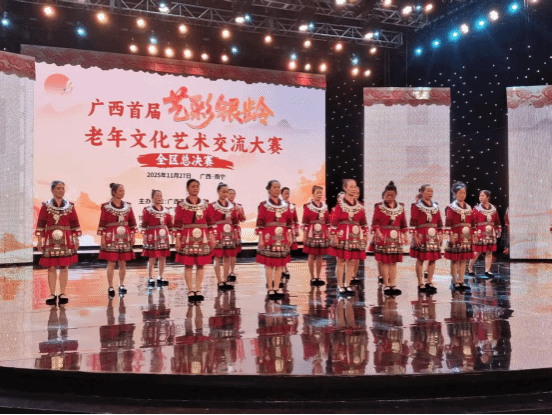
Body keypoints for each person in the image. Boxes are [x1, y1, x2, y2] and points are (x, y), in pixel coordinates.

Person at [35, 181, 81, 306]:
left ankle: (63, 293)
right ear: (52, 190)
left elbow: (75, 223)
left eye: (63, 188)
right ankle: (52, 294)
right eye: (58, 188)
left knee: (64, 266)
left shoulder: (70, 206)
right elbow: (41, 223)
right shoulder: (46, 206)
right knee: (51, 267)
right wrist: (39, 240)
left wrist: (76, 239)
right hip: (51, 239)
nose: (61, 190)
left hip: (66, 239)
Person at [172, 179, 215, 303]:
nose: (195, 188)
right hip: (187, 236)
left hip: (203, 236)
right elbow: (177, 223)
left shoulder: (206, 204)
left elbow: (210, 222)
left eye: (197, 186)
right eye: (193, 186)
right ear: (187, 188)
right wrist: (177, 239)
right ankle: (191, 290)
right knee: (188, 264)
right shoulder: (181, 205)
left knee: (201, 264)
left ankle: (198, 289)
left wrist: (212, 236)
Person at [256, 180, 294, 300]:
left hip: (282, 236)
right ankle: (270, 289)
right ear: (269, 190)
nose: (277, 189)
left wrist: (289, 235)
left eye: (278, 187)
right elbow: (260, 222)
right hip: (268, 235)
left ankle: (277, 288)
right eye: (274, 187)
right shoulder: (264, 205)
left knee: (280, 264)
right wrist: (261, 238)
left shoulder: (285, 205)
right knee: (269, 264)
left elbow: (289, 222)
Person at [329, 179, 368, 297]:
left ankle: (347, 284)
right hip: (343, 234)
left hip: (355, 235)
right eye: (351, 186)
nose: (354, 189)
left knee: (352, 260)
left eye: (355, 186)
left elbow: (363, 222)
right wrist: (334, 236)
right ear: (345, 188)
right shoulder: (339, 205)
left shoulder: (360, 206)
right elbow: (334, 221)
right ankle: (340, 286)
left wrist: (365, 235)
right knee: (341, 261)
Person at [98, 183, 137, 298]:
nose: (122, 193)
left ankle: (122, 284)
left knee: (123, 262)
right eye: (120, 191)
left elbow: (132, 222)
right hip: (111, 237)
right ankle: (110, 286)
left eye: (123, 190)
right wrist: (102, 237)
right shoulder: (106, 207)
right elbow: (102, 223)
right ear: (114, 192)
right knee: (111, 262)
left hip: (125, 236)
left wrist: (133, 236)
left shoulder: (128, 206)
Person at [369, 181, 409, 297]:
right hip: (383, 236)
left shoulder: (400, 207)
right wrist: (378, 232)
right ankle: (386, 284)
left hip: (395, 237)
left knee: (393, 262)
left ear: (395, 195)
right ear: (384, 195)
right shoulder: (379, 207)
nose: (390, 197)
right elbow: (375, 221)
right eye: (388, 195)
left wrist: (405, 236)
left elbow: (403, 223)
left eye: (392, 195)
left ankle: (393, 284)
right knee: (385, 261)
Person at [410, 184, 443, 294]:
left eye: (431, 191)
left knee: (433, 258)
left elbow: (439, 221)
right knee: (421, 258)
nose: (430, 193)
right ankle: (420, 282)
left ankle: (429, 281)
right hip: (421, 234)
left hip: (433, 235)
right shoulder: (416, 206)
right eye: (428, 191)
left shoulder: (435, 206)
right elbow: (413, 222)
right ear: (422, 192)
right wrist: (414, 236)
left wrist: (441, 235)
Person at [207, 183, 241, 291]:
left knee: (227, 256)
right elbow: (209, 221)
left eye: (227, 192)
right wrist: (211, 235)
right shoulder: (212, 206)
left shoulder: (232, 206)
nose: (225, 194)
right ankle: (219, 281)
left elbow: (235, 220)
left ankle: (226, 280)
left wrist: (238, 213)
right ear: (218, 192)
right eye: (223, 191)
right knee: (217, 257)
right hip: (217, 233)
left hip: (229, 232)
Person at [444, 182, 474, 291]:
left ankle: (462, 280)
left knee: (463, 259)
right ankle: (455, 281)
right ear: (455, 194)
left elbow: (472, 221)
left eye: (464, 193)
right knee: (455, 259)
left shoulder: (469, 207)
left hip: (466, 236)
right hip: (456, 235)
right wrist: (451, 235)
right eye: (460, 193)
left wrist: (473, 234)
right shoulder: (451, 207)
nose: (462, 195)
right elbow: (448, 222)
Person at [141, 190, 172, 288]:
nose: (159, 197)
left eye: (160, 196)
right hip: (152, 235)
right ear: (152, 198)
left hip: (163, 236)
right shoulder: (148, 210)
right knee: (152, 257)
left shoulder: (166, 210)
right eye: (157, 196)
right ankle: (150, 277)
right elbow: (144, 224)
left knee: (163, 257)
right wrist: (144, 236)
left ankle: (160, 277)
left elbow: (170, 224)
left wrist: (172, 233)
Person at [469, 190, 502, 278]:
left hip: (490, 232)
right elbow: (473, 221)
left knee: (489, 251)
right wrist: (474, 233)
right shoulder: (477, 208)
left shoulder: (493, 208)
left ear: (487, 197)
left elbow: (497, 220)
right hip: (480, 232)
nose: (480, 197)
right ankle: (470, 267)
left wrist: (498, 230)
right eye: (480, 196)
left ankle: (487, 270)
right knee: (477, 251)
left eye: (483, 196)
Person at [302, 185, 331, 286]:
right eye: (317, 193)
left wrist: (328, 234)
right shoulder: (308, 206)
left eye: (321, 193)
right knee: (311, 254)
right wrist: (304, 235)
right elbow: (305, 222)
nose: (319, 195)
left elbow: (327, 222)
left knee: (320, 255)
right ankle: (312, 277)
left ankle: (318, 276)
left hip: (322, 232)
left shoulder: (324, 207)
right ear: (313, 193)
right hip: (311, 232)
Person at [281, 187, 299, 281]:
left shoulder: (292, 206)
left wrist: (296, 229)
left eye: (288, 193)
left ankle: (284, 267)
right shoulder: (279, 205)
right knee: (282, 249)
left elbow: (295, 219)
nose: (286, 195)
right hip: (281, 229)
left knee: (287, 250)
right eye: (285, 193)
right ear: (281, 194)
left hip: (289, 230)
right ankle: (283, 269)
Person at [227, 189, 246, 281]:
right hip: (226, 230)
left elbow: (243, 219)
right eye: (230, 193)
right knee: (226, 252)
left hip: (235, 230)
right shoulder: (222, 206)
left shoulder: (238, 206)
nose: (232, 195)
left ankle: (232, 271)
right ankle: (226, 272)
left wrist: (240, 211)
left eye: (233, 194)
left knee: (233, 253)